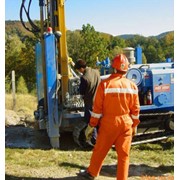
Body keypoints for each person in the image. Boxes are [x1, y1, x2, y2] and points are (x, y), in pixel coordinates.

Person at [78, 54, 140, 180]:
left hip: (109, 123)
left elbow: (97, 110)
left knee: (100, 150)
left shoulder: (105, 84)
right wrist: (135, 125)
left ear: (113, 68)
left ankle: (92, 173)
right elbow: (135, 110)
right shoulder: (132, 86)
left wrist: (91, 125)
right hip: (126, 124)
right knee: (124, 156)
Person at [74, 59, 101, 145]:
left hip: (90, 103)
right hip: (99, 101)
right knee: (98, 122)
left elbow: (81, 92)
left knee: (91, 122)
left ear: (82, 68)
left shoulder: (84, 78)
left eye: (79, 70)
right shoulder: (96, 72)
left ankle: (94, 141)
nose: (79, 72)